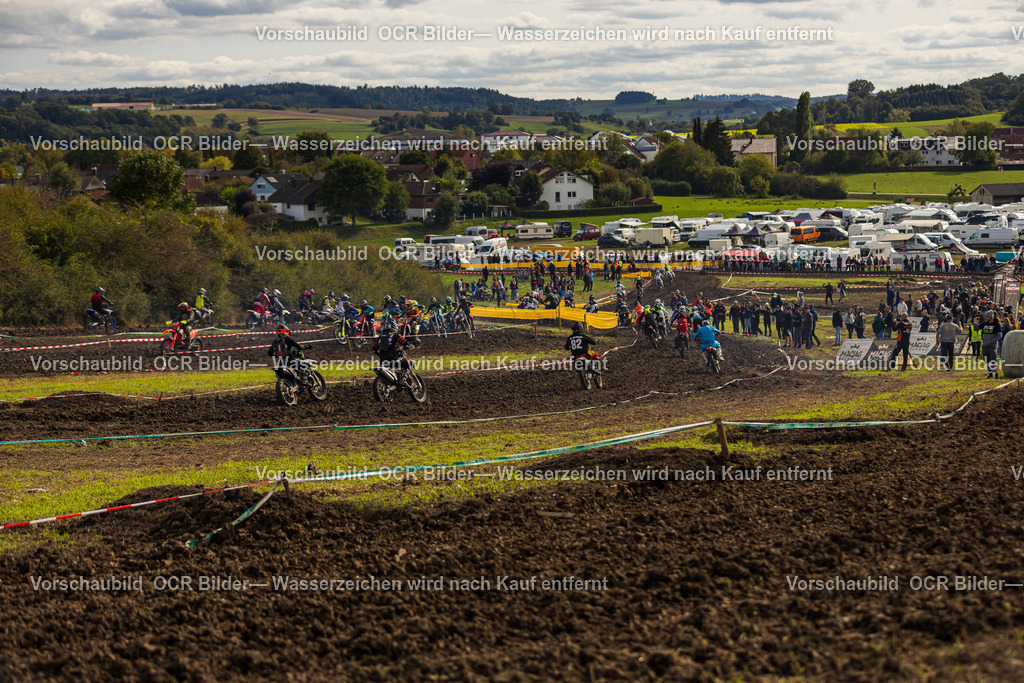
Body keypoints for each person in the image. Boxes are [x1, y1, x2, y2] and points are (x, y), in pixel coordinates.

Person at [980, 310, 1002, 378]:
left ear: (991, 317)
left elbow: (999, 335)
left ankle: (996, 374)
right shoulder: (984, 324)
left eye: (987, 316)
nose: (985, 317)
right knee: (987, 360)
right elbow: (976, 328)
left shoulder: (996, 324)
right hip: (985, 345)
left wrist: (992, 341)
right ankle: (990, 373)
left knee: (993, 360)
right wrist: (975, 323)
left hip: (992, 345)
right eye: (985, 316)